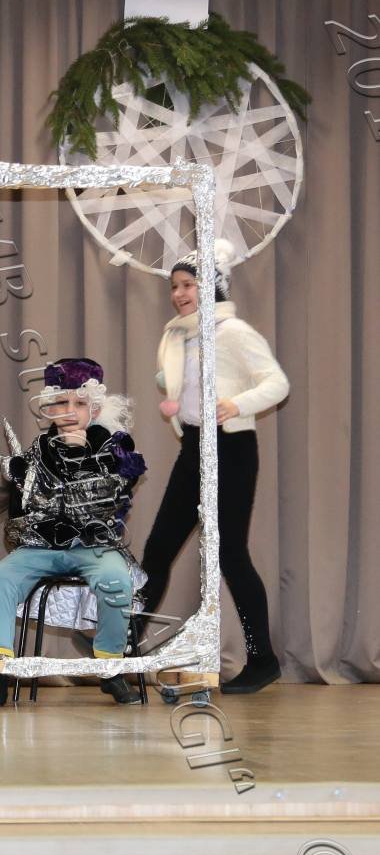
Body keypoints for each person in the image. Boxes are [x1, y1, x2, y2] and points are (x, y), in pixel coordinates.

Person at [139, 241, 289, 694]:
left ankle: (262, 659)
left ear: (213, 287)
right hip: (194, 448)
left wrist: (236, 403)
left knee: (230, 554)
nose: (179, 294)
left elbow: (277, 383)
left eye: (189, 285)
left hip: (232, 448)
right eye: (175, 287)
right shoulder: (178, 335)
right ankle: (120, 649)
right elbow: (175, 384)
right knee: (158, 550)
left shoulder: (235, 332)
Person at [0, 358, 147, 707]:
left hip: (94, 547)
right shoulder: (38, 450)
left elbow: (106, 505)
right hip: (41, 546)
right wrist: (25, 484)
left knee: (116, 581)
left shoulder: (115, 449)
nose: (69, 412)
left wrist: (80, 459)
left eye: (79, 403)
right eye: (61, 403)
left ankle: (110, 665)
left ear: (93, 408)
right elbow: (23, 509)